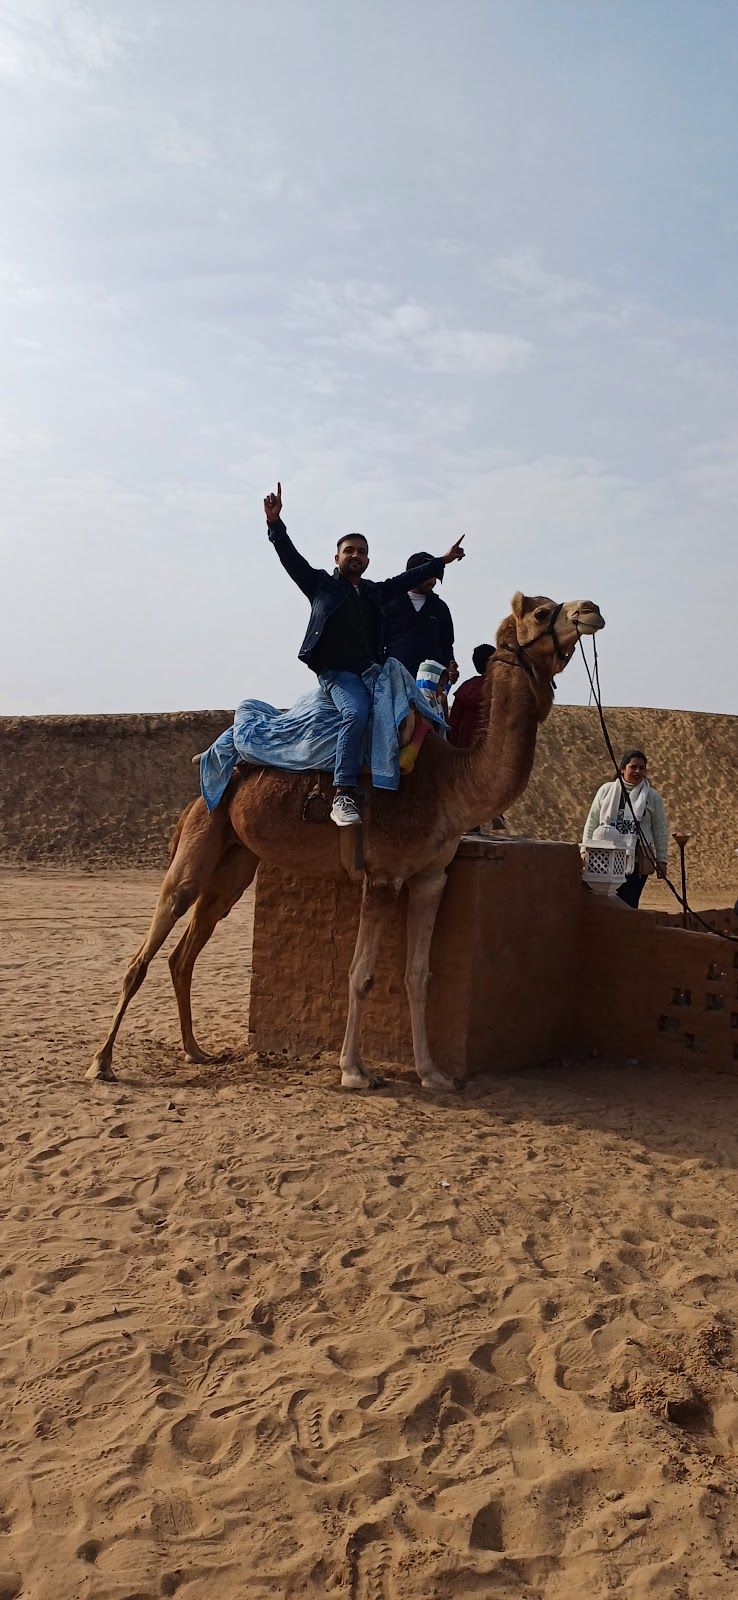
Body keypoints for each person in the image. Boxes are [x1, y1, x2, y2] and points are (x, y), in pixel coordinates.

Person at [263, 483, 466, 826]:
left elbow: (406, 579)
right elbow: (291, 559)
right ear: (337, 557)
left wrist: (441, 561)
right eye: (349, 550)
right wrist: (275, 525)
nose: (355, 555)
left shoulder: (374, 592)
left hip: (370, 672)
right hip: (337, 674)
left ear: (368, 560)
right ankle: (342, 793)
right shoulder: (321, 586)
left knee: (418, 711)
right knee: (355, 713)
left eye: (361, 551)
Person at [582, 748, 669, 908]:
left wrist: (662, 860)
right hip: (605, 859)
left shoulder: (652, 796)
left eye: (642, 768)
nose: (637, 771)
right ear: (622, 769)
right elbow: (592, 821)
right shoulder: (606, 790)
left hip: (635, 862)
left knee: (628, 905)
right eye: (633, 767)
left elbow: (660, 830)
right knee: (603, 904)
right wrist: (584, 850)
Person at [382, 551, 457, 680]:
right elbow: (378, 641)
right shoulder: (389, 604)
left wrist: (450, 664)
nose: (433, 581)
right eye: (428, 576)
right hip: (396, 679)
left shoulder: (440, 608)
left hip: (431, 683)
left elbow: (446, 644)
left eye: (435, 577)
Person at [448, 644, 495, 748]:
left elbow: (453, 725)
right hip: (495, 751)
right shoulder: (502, 689)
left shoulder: (465, 689)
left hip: (466, 753)